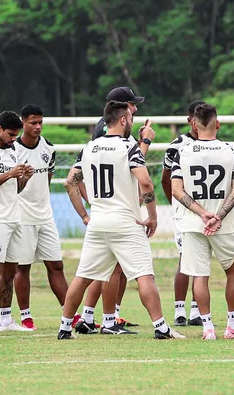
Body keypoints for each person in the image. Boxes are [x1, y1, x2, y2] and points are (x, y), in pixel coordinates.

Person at [58, 101, 184, 340]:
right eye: (131, 119)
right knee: (144, 276)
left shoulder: (89, 147)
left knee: (82, 277)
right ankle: (161, 328)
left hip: (98, 222)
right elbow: (146, 182)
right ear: (124, 120)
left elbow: (70, 182)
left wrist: (85, 214)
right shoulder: (129, 147)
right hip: (126, 222)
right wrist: (153, 216)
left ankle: (64, 327)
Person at [171, 103, 234, 340]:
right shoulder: (230, 150)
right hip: (223, 224)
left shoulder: (183, 151)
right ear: (217, 123)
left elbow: (177, 190)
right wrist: (218, 216)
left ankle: (208, 328)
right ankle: (233, 325)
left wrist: (202, 213)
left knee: (199, 275)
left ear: (194, 125)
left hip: (193, 223)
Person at [75, 86, 153, 333]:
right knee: (112, 267)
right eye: (132, 105)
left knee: (102, 267)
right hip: (116, 210)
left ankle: (89, 317)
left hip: (107, 210)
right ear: (121, 110)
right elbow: (128, 165)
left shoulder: (106, 130)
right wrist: (146, 141)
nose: (135, 109)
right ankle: (108, 318)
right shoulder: (110, 133)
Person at [6, 105, 75, 330]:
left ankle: (69, 313)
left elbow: (47, 178)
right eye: (33, 122)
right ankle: (26, 316)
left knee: (56, 265)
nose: (38, 127)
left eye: (40, 122)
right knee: (22, 267)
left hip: (45, 216)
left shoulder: (49, 148)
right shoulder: (12, 149)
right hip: (21, 216)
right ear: (23, 123)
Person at [0, 111, 34, 333]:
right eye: (10, 134)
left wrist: (24, 177)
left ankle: (5, 320)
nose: (14, 139)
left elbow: (16, 188)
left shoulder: (13, 150)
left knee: (10, 271)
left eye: (16, 135)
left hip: (14, 218)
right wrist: (9, 174)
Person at [162, 100, 202, 326]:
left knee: (202, 258)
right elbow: (165, 179)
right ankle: (179, 309)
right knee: (185, 257)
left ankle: (197, 311)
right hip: (184, 209)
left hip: (207, 208)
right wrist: (176, 205)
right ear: (190, 121)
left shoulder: (215, 145)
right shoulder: (178, 144)